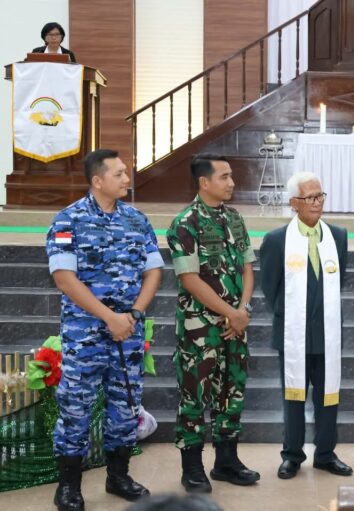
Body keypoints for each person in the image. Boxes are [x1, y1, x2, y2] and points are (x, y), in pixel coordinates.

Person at [46, 149, 163, 511]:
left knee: (125, 406)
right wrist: (109, 317)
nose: (127, 178)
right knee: (76, 409)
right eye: (119, 174)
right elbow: (65, 279)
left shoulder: (137, 220)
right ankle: (68, 486)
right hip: (85, 336)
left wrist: (133, 313)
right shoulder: (68, 220)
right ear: (97, 181)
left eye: (126, 172)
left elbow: (153, 270)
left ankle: (119, 477)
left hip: (128, 332)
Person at [167, 154, 259, 493]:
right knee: (194, 395)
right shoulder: (185, 223)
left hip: (235, 324)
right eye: (224, 177)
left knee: (232, 391)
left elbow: (247, 267)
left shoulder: (235, 218)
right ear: (204, 182)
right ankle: (192, 468)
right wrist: (230, 313)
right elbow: (189, 279)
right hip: (200, 329)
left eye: (231, 176)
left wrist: (242, 309)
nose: (232, 182)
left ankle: (226, 462)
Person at [260, 172, 353, 480]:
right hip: (293, 335)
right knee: (294, 397)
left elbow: (338, 283)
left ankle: (325, 454)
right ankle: (292, 455)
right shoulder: (277, 240)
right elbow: (270, 288)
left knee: (329, 397)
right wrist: (295, 318)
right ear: (294, 203)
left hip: (328, 334)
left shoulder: (338, 236)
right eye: (310, 197)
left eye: (320, 195)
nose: (317, 202)